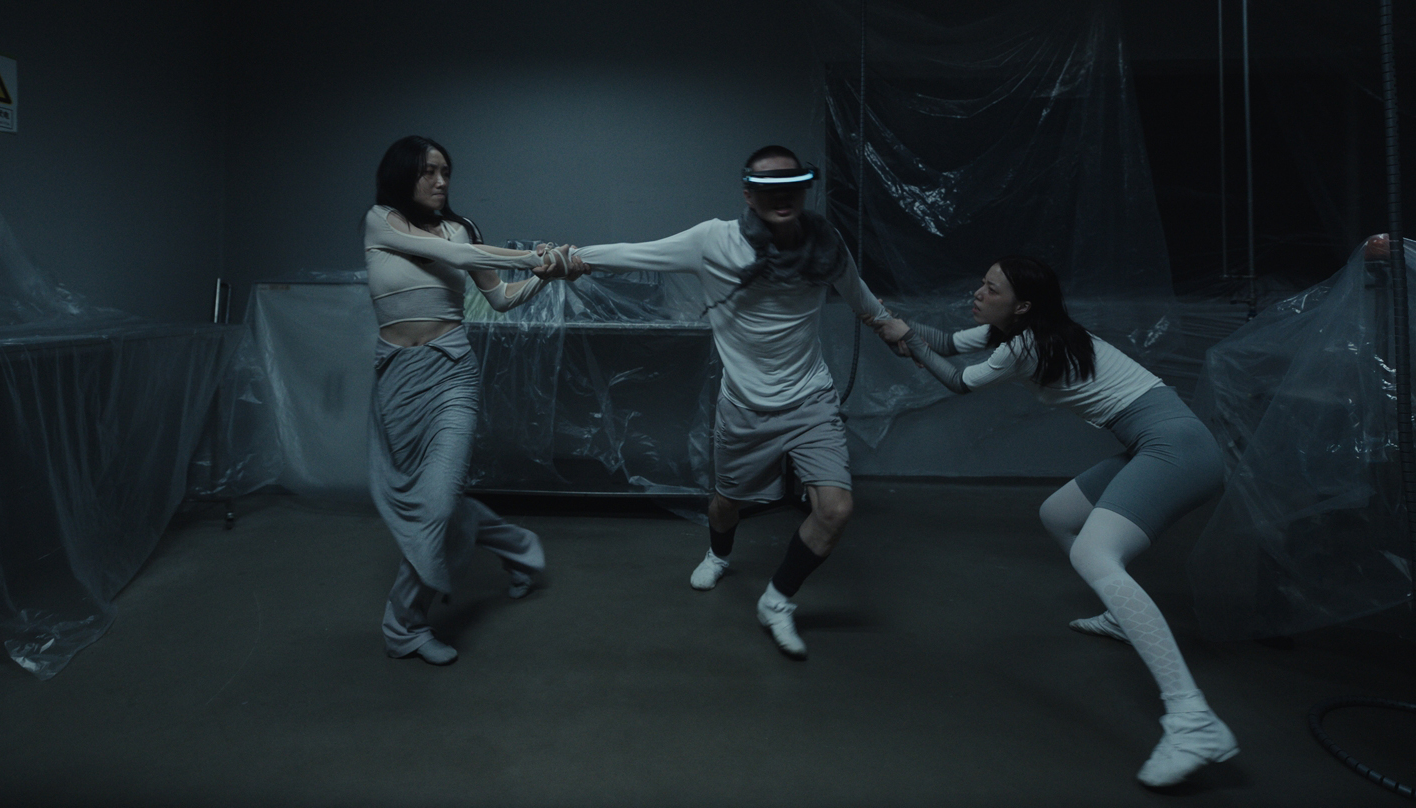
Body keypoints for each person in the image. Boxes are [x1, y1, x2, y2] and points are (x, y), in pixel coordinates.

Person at [870, 256, 1235, 787]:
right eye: (981, 283)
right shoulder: (1017, 331)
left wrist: (907, 340)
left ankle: (1193, 720)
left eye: (991, 289)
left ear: (1021, 305)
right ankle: (1122, 615)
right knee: (1060, 515)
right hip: (1157, 443)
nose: (978, 293)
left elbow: (958, 380)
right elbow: (946, 344)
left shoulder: (1027, 345)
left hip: (1178, 448)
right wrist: (892, 323)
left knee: (1094, 552)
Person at [576, 146, 893, 659]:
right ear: (748, 194)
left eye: (792, 185)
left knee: (835, 510)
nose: (782, 196)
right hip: (745, 407)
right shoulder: (713, 242)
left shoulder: (825, 244)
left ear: (804, 188)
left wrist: (889, 324)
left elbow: (859, 296)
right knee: (727, 505)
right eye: (768, 187)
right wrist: (570, 259)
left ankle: (777, 599)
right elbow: (635, 252)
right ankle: (719, 555)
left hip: (810, 399)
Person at [364, 135, 581, 666]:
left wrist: (544, 275)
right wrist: (533, 256)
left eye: (446, 172)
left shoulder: (461, 228)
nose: (441, 181)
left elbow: (500, 298)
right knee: (435, 498)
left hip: (452, 376)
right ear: (402, 175)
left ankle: (404, 627)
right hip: (396, 379)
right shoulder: (381, 221)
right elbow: (454, 256)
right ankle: (520, 550)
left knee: (437, 505)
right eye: (429, 171)